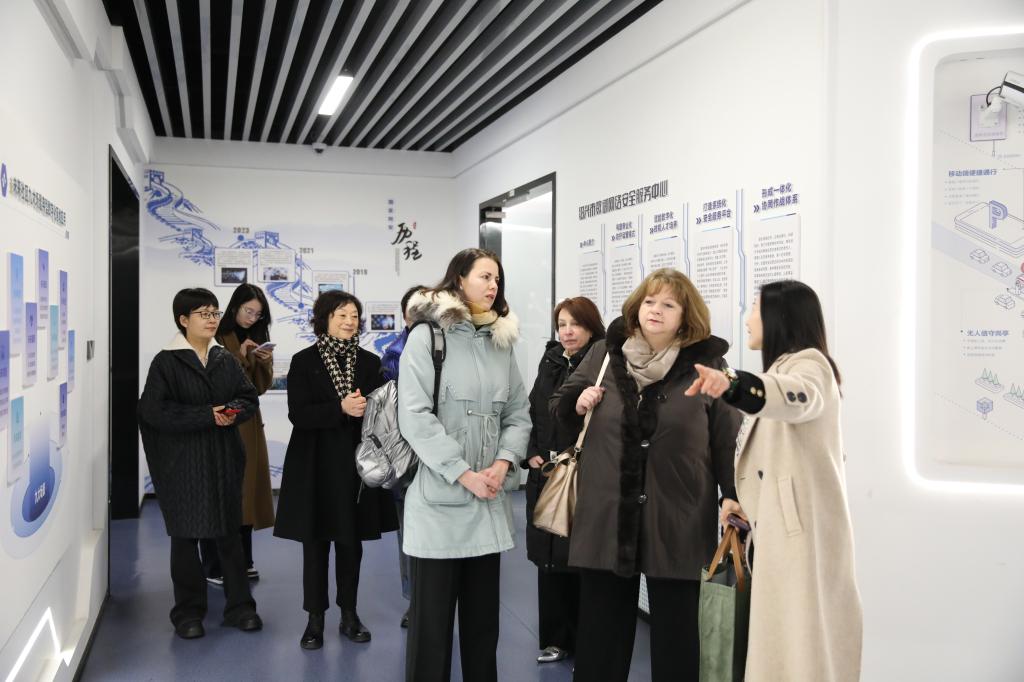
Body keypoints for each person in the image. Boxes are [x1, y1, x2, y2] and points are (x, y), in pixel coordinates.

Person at [550, 268, 741, 682]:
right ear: (637, 307)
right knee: (601, 638)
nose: (656, 310)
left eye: (668, 304)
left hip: (678, 512)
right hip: (606, 512)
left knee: (677, 637)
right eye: (650, 301)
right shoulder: (604, 354)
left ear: (685, 316)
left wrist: (731, 493)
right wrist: (578, 402)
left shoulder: (708, 365)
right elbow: (559, 405)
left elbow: (726, 438)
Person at [685, 279, 863, 682]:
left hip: (799, 540)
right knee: (787, 648)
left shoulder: (810, 367)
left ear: (779, 317)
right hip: (780, 534)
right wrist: (743, 503)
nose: (748, 319)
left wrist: (733, 384)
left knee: (801, 650)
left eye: (755, 308)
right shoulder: (785, 368)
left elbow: (794, 396)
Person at [398, 248, 531, 682]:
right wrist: (463, 473)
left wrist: (503, 462)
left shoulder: (500, 342)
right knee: (430, 632)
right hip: (439, 504)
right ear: (459, 279)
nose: (493, 286)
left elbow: (518, 414)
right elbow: (415, 417)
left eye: (497, 279)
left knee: (482, 630)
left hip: (488, 502)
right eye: (484, 277)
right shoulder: (427, 336)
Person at [273, 290, 399, 650]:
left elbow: (382, 413)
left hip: (354, 465)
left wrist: (371, 410)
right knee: (314, 544)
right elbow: (298, 414)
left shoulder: (370, 361)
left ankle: (349, 614)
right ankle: (314, 619)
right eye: (341, 315)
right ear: (324, 319)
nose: (349, 321)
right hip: (313, 464)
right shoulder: (304, 361)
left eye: (354, 316)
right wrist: (340, 408)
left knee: (350, 542)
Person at [137, 287, 263, 640]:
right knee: (185, 538)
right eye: (203, 314)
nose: (211, 320)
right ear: (183, 320)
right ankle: (188, 613)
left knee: (229, 536)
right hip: (183, 464)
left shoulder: (224, 358)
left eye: (214, 313)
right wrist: (207, 415)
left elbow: (248, 398)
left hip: (223, 459)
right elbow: (153, 411)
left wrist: (230, 412)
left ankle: (241, 608)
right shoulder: (166, 362)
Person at [523, 297, 605, 664]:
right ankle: (555, 638)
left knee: (581, 559)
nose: (567, 332)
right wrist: (531, 451)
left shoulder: (601, 364)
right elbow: (532, 409)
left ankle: (586, 641)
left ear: (591, 327)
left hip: (582, 474)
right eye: (562, 325)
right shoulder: (552, 360)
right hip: (547, 471)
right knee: (549, 560)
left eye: (575, 324)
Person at [199, 283, 275, 585]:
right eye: (248, 311)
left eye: (258, 314)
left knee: (245, 495)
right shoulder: (217, 336)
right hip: (222, 422)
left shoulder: (255, 337)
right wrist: (243, 357)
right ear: (234, 307)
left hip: (248, 425)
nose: (252, 318)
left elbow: (259, 388)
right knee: (218, 495)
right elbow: (221, 384)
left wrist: (263, 363)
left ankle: (244, 560)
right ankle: (214, 565)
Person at [380, 284, 426, 629]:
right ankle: (416, 601)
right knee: (408, 530)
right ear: (407, 317)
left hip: (447, 457)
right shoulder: (396, 353)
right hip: (408, 457)